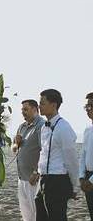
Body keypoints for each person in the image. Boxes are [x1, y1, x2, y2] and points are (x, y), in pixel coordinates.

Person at [33, 89, 78, 221]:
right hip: (43, 179)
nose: (39, 106)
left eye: (42, 103)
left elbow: (71, 159)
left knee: (56, 217)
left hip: (57, 180)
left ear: (53, 105)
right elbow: (44, 153)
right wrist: (37, 172)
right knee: (40, 215)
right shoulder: (43, 127)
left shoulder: (63, 127)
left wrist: (75, 185)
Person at [12, 100, 44, 221]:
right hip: (22, 178)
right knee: (26, 214)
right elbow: (14, 149)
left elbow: (45, 151)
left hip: (34, 178)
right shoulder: (22, 126)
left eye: (26, 109)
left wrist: (36, 172)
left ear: (35, 109)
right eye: (22, 110)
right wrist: (16, 143)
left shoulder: (41, 126)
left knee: (36, 213)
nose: (23, 112)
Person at [79, 92, 93, 220]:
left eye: (91, 106)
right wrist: (82, 177)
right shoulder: (88, 130)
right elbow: (83, 155)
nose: (88, 109)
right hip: (88, 178)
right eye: (87, 106)